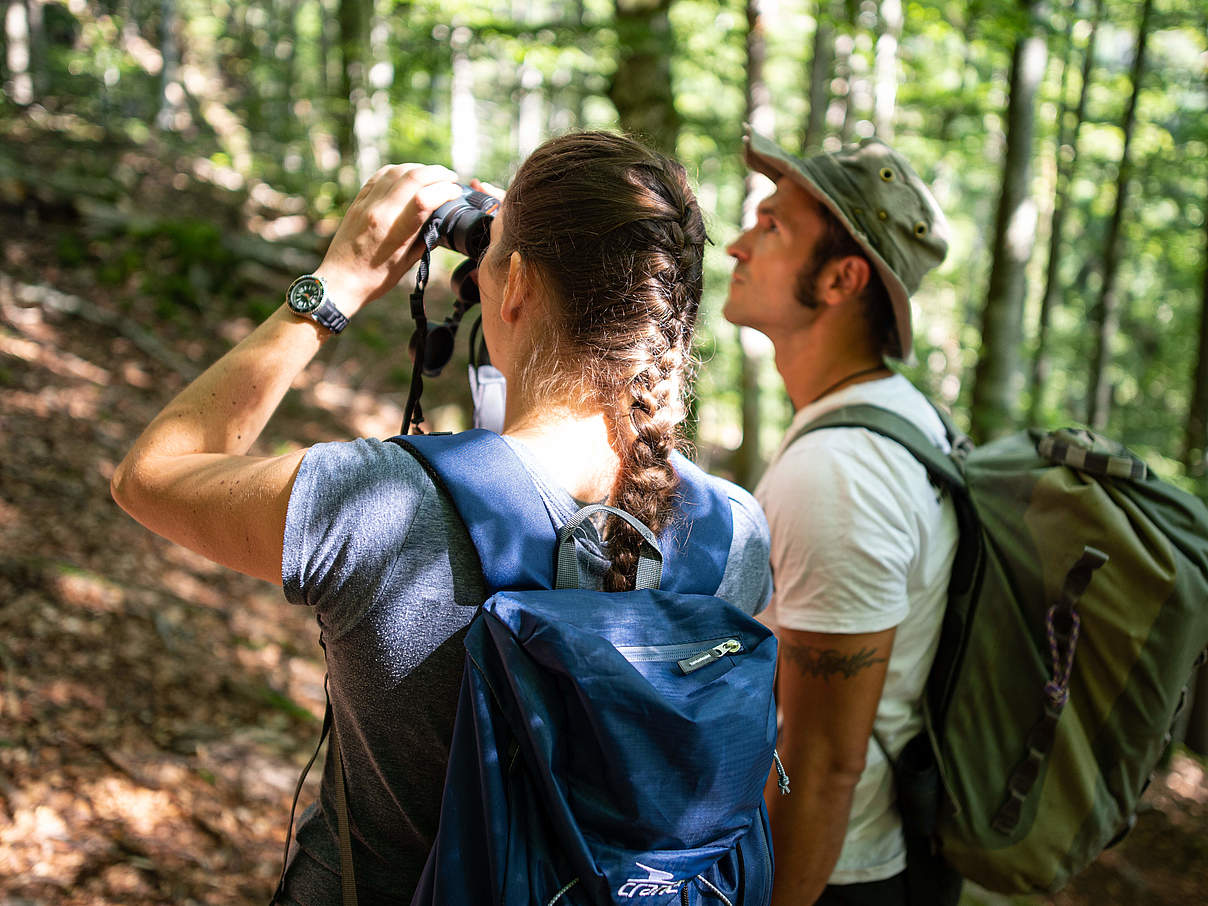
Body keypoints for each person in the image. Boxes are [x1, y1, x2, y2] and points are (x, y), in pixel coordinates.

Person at [110, 131, 773, 905]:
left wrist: (334, 286)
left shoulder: (382, 503)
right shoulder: (737, 536)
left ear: (515, 283)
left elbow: (147, 475)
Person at [723, 128, 960, 906]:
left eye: (770, 228)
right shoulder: (888, 416)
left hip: (831, 875)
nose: (735, 246)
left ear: (840, 279)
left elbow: (823, 761)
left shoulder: (843, 473)